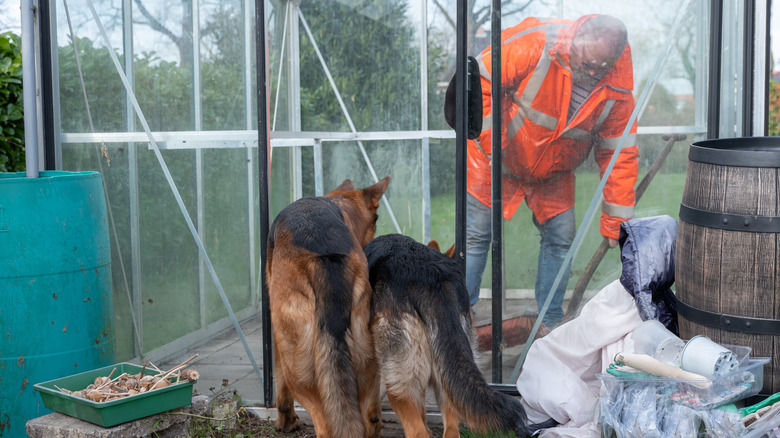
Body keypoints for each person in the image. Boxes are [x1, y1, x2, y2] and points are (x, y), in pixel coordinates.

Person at [464, 14, 639, 329]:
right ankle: (460, 317)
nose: (593, 73)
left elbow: (619, 154)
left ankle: (550, 324)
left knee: (561, 238)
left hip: (553, 172)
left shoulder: (618, 89)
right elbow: (477, 80)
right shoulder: (536, 42)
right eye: (587, 64)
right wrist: (493, 143)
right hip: (492, 159)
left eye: (602, 67)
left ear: (614, 60)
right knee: (476, 236)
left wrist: (616, 222)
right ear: (576, 42)